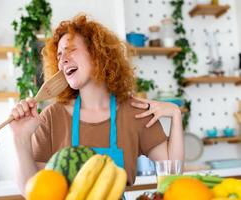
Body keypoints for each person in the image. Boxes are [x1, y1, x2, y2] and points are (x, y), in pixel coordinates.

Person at [10, 14, 184, 195]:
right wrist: (20, 138)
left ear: (97, 53)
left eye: (70, 50)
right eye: (59, 55)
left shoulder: (134, 112)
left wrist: (175, 115)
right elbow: (33, 191)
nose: (63, 60)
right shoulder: (51, 117)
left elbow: (171, 171)